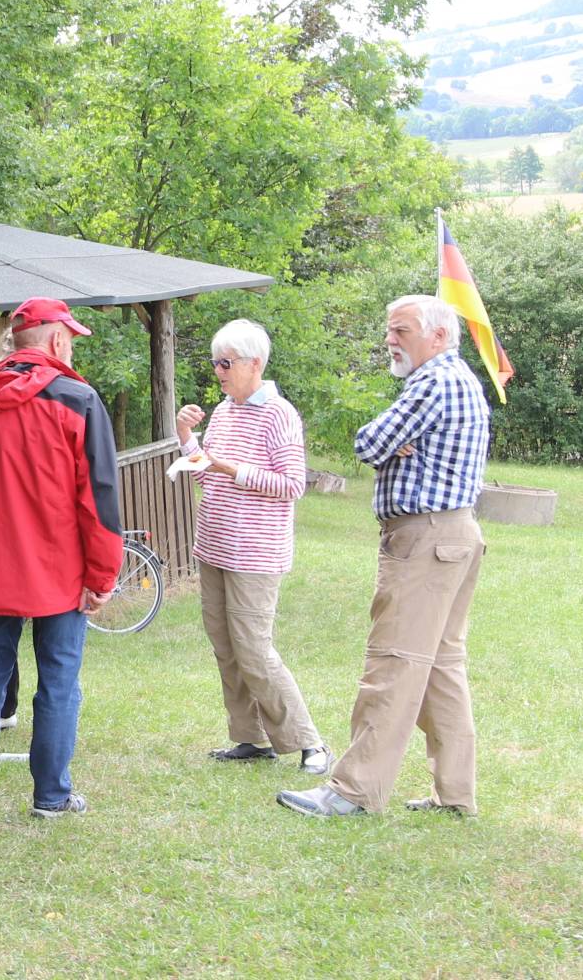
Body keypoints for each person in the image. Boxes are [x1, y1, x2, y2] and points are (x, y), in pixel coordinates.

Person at [278, 294, 491, 818]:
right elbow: (382, 443)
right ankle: (454, 795)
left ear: (438, 336)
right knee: (441, 669)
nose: (390, 340)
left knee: (393, 664)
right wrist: (393, 442)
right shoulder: (459, 378)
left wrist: (391, 443)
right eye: (390, 330)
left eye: (402, 331)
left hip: (423, 539)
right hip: (455, 534)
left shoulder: (433, 381)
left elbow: (369, 443)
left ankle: (353, 792)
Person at [0, 297, 122, 816]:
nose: (72, 347)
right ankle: (51, 798)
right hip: (61, 573)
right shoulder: (79, 400)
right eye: (71, 338)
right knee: (58, 681)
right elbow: (100, 499)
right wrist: (103, 575)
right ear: (57, 339)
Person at [177, 319, 330, 775]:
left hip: (254, 555)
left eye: (226, 363)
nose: (218, 371)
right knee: (226, 647)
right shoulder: (225, 411)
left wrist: (232, 468)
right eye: (215, 362)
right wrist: (185, 437)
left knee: (254, 651)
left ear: (254, 364)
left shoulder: (279, 414)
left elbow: (292, 484)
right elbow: (204, 473)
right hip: (214, 546)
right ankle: (251, 738)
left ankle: (310, 743)